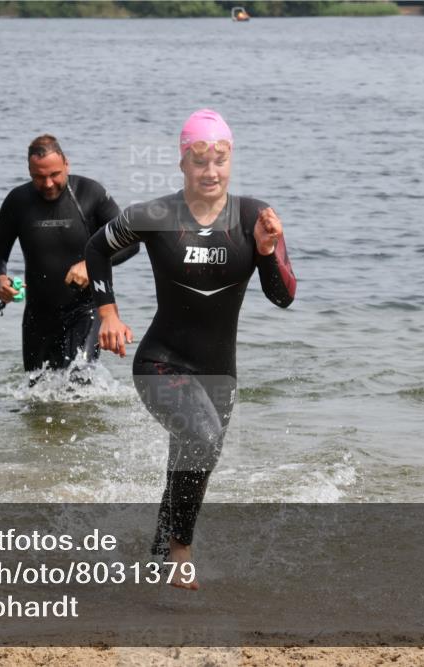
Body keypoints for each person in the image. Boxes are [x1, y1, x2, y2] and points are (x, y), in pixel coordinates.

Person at [85, 109, 296, 590]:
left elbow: (283, 297)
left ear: (231, 159)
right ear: (182, 163)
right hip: (161, 362)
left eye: (219, 160)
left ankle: (159, 554)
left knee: (191, 459)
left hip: (220, 375)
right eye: (199, 161)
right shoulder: (155, 215)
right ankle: (182, 550)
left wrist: (266, 252)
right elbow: (96, 248)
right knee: (199, 440)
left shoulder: (253, 216)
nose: (210, 171)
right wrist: (108, 313)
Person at [0, 135, 138, 382]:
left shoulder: (91, 193)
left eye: (54, 174)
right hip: (38, 315)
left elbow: (130, 243)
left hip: (85, 309)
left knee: (79, 379)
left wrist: (91, 265)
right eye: (39, 177)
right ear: (29, 170)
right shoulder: (18, 201)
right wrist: (0, 280)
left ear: (67, 163)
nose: (47, 183)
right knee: (36, 394)